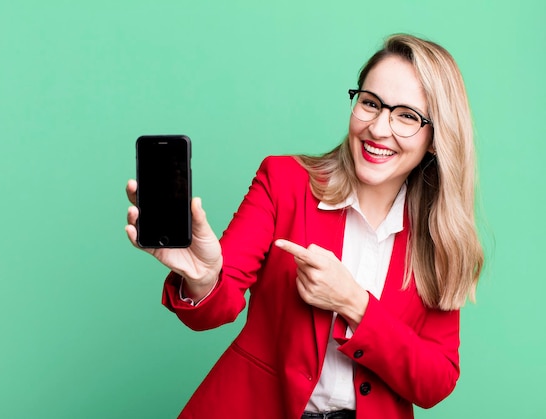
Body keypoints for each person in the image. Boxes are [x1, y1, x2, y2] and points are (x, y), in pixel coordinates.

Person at [125, 33, 484, 419]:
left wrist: (355, 304)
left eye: (407, 116)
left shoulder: (439, 239)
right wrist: (204, 277)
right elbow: (217, 307)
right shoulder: (284, 181)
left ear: (435, 139)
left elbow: (435, 382)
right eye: (370, 103)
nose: (379, 129)